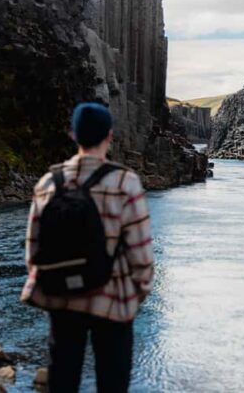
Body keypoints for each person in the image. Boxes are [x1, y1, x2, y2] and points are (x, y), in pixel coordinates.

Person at [21, 102, 153, 392]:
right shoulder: (125, 181)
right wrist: (137, 293)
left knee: (63, 380)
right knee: (112, 383)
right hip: (113, 298)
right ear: (109, 136)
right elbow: (141, 253)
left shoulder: (48, 183)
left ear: (73, 135)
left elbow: (33, 252)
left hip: (62, 298)